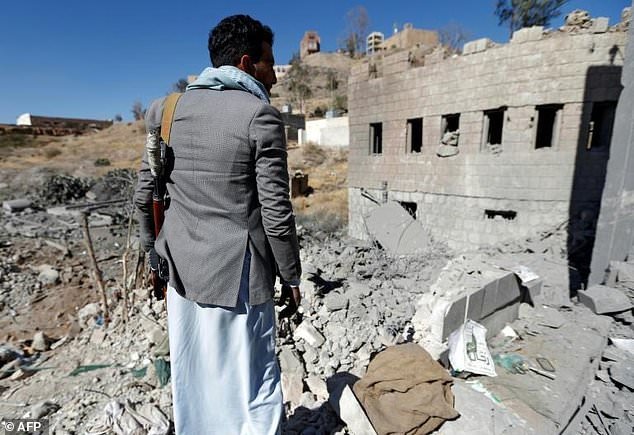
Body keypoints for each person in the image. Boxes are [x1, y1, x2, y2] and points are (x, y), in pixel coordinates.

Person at [134, 14, 302, 434]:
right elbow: (276, 211)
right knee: (253, 383)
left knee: (194, 380)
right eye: (270, 65)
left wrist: (151, 254)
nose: (275, 78)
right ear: (246, 63)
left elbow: (144, 194)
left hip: (180, 272)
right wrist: (291, 275)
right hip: (239, 279)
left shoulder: (165, 110)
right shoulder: (259, 115)